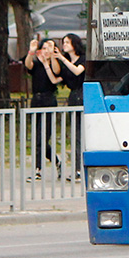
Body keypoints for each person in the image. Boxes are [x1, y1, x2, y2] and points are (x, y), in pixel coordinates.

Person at [24, 37, 61, 179]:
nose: (46, 51)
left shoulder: (54, 64)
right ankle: (55, 162)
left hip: (49, 99)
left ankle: (38, 169)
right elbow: (28, 65)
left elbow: (57, 72)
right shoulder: (37, 64)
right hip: (36, 99)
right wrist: (31, 52)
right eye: (44, 48)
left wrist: (51, 58)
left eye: (49, 47)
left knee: (42, 138)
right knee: (37, 138)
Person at [55, 34, 86, 182]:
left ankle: (80, 169)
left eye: (67, 42)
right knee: (74, 135)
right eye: (63, 42)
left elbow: (78, 71)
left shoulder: (83, 59)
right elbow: (58, 78)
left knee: (81, 134)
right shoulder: (66, 63)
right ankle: (76, 168)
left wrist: (62, 58)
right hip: (73, 97)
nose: (64, 45)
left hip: (83, 95)